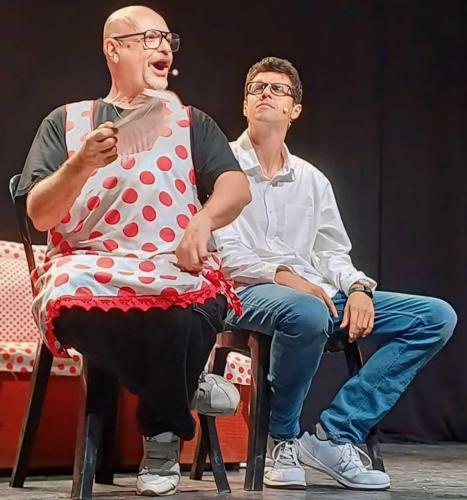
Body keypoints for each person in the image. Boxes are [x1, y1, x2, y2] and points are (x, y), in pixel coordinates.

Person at [16, 5, 250, 497]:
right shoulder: (67, 122)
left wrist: (203, 220)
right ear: (113, 49)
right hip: (89, 268)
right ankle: (183, 386)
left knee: (183, 313)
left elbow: (236, 186)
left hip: (169, 266)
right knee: (70, 301)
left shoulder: (190, 122)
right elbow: (39, 213)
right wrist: (80, 164)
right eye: (149, 38)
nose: (163, 47)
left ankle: (162, 440)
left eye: (167, 39)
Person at [214, 56, 457, 491]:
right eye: (257, 88)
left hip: (317, 293)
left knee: (435, 317)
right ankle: (282, 438)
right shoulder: (220, 167)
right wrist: (287, 277)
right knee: (307, 311)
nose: (266, 94)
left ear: (294, 109)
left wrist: (358, 287)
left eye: (277, 89)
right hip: (244, 291)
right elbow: (224, 252)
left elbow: (331, 252)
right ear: (245, 104)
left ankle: (334, 434)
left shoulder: (312, 179)